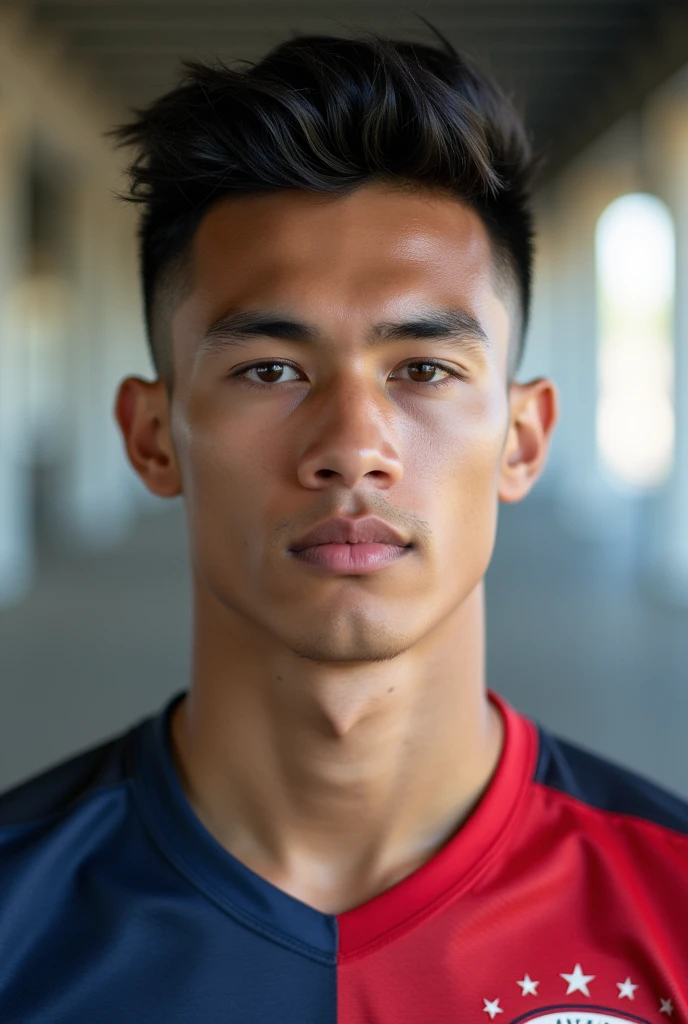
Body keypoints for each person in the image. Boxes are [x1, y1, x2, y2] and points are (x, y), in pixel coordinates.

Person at [0, 26, 686, 1024]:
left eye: (423, 369)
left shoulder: (667, 906)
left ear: (522, 439)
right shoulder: (19, 923)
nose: (353, 446)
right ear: (151, 438)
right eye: (269, 369)